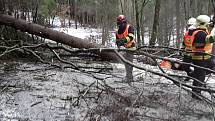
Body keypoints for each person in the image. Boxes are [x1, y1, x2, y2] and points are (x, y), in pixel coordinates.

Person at [189, 15, 215, 99]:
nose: (209, 25)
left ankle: (196, 83)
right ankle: (196, 94)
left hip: (202, 58)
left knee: (201, 73)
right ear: (203, 24)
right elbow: (211, 39)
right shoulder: (200, 34)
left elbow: (208, 29)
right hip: (200, 58)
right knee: (200, 76)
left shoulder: (198, 31)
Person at [115, 15, 136, 83]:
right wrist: (119, 44)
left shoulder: (129, 27)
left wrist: (124, 40)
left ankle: (129, 78)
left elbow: (131, 36)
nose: (121, 25)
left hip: (130, 48)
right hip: (123, 49)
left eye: (122, 23)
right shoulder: (117, 32)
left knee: (129, 63)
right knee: (125, 63)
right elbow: (117, 40)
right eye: (120, 23)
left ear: (125, 22)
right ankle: (128, 76)